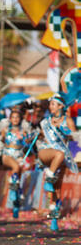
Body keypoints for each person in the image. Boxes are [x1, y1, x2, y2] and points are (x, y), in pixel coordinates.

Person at [37, 93, 78, 231]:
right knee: (59, 153)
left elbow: (75, 143)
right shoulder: (46, 121)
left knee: (56, 190)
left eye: (53, 104)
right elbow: (40, 136)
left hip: (61, 159)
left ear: (61, 106)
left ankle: (53, 219)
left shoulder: (68, 121)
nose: (50, 107)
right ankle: (49, 177)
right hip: (46, 152)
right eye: (50, 104)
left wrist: (76, 159)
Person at [0, 109, 33, 218]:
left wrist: (27, 141)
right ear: (10, 119)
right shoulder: (5, 130)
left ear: (20, 119)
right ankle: (13, 194)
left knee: (17, 178)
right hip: (7, 155)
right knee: (15, 167)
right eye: (13, 117)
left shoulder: (24, 131)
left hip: (19, 156)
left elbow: (26, 147)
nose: (15, 119)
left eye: (17, 117)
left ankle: (16, 206)